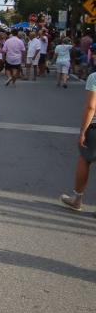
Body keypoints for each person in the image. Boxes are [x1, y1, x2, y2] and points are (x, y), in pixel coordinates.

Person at [59, 69, 96, 212]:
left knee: (85, 160)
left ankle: (77, 199)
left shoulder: (94, 77)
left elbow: (91, 107)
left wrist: (83, 132)